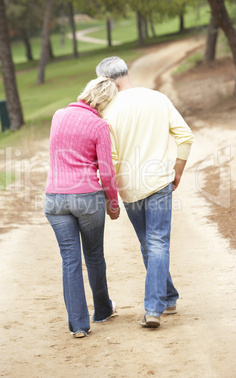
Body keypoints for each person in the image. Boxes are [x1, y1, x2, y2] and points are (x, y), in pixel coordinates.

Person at [96, 57, 194, 328]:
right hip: (160, 181)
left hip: (129, 188)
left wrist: (110, 194)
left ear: (106, 80)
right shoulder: (157, 99)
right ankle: (168, 297)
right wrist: (178, 169)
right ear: (125, 72)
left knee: (148, 243)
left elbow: (111, 159)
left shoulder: (107, 112)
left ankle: (154, 308)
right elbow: (185, 136)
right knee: (157, 242)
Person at [44, 77, 120, 338]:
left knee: (70, 260)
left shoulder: (58, 115)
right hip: (87, 197)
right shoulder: (100, 125)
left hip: (54, 197)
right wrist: (113, 203)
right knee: (94, 255)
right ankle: (102, 311)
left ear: (86, 93)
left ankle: (78, 325)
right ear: (106, 102)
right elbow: (107, 172)